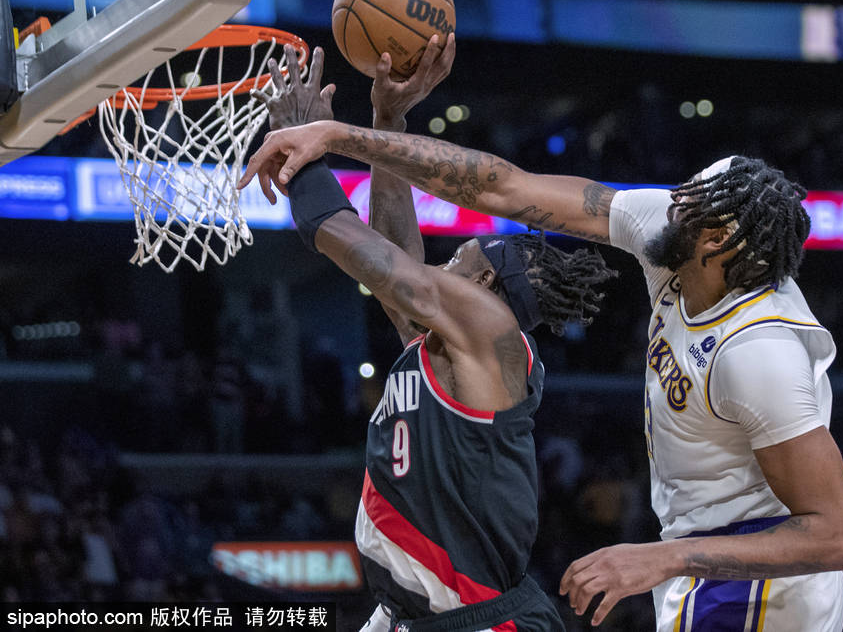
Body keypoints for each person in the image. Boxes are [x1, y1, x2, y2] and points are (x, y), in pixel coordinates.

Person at [241, 31, 843, 631]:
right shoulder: (669, 239)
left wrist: (662, 557)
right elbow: (504, 187)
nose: (673, 200)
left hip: (762, 580)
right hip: (692, 553)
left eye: (690, 201)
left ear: (718, 241)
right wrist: (376, 128)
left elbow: (839, 536)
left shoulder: (761, 352)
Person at [247, 39, 615, 631]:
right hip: (417, 612)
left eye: (460, 257)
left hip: (477, 618)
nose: (442, 264)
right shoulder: (447, 348)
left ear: (485, 284)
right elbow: (396, 254)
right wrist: (388, 119)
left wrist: (306, 162)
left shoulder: (488, 330)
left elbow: (363, 251)